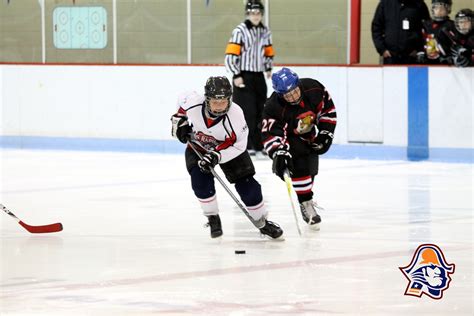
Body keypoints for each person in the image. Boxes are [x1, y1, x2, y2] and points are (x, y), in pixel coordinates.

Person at [170, 76, 283, 240]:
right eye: (215, 102)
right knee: (200, 182)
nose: (219, 106)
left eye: (223, 101)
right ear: (206, 99)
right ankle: (212, 217)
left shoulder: (236, 114)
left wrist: (218, 155)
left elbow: (240, 146)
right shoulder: (193, 102)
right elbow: (181, 102)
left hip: (229, 149)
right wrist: (178, 122)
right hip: (199, 147)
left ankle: (263, 223)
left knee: (249, 188)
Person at [261, 68, 337, 230]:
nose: (293, 97)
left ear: (298, 84)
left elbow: (327, 110)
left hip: (309, 134)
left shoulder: (314, 89)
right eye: (287, 95)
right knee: (299, 164)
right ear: (280, 94)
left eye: (295, 91)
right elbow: (270, 133)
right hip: (289, 140)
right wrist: (278, 152)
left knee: (311, 169)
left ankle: (305, 197)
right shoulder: (273, 106)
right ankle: (306, 202)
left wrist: (325, 133)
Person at [224, 0, 274, 157]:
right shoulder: (239, 30)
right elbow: (231, 55)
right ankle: (247, 145)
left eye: (258, 13)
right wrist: (236, 74)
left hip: (258, 76)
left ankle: (260, 145)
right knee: (247, 112)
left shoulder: (265, 31)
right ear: (248, 13)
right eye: (253, 13)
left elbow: (268, 50)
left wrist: (268, 67)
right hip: (243, 75)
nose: (256, 16)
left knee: (261, 110)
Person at [371, 0, 430, 64]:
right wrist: (382, 49)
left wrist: (419, 50)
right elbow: (376, 27)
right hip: (390, 57)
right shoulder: (385, 3)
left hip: (411, 57)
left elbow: (427, 28)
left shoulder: (419, 4)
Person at [417, 0, 455, 64]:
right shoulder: (425, 24)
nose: (439, 11)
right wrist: (420, 52)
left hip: (445, 62)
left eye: (442, 8)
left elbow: (456, 43)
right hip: (427, 61)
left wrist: (450, 56)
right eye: (436, 8)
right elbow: (419, 40)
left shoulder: (452, 25)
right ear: (432, 9)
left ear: (448, 10)